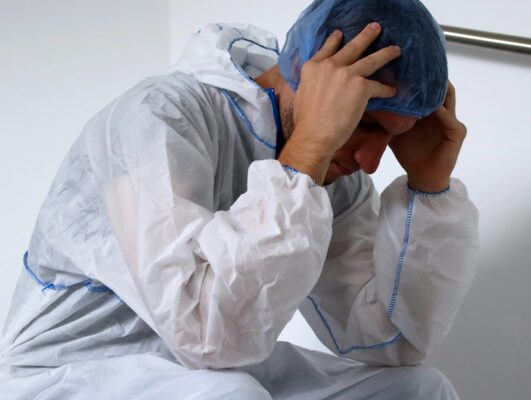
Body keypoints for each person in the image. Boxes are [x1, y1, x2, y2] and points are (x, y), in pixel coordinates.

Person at [0, 0, 478, 398]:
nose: (371, 162)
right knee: (230, 394)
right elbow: (206, 336)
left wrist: (428, 186)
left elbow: (384, 342)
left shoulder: (333, 173)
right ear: (306, 74)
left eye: (393, 137)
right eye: (366, 123)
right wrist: (307, 153)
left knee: (419, 389)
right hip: (68, 372)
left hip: (206, 371)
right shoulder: (160, 115)